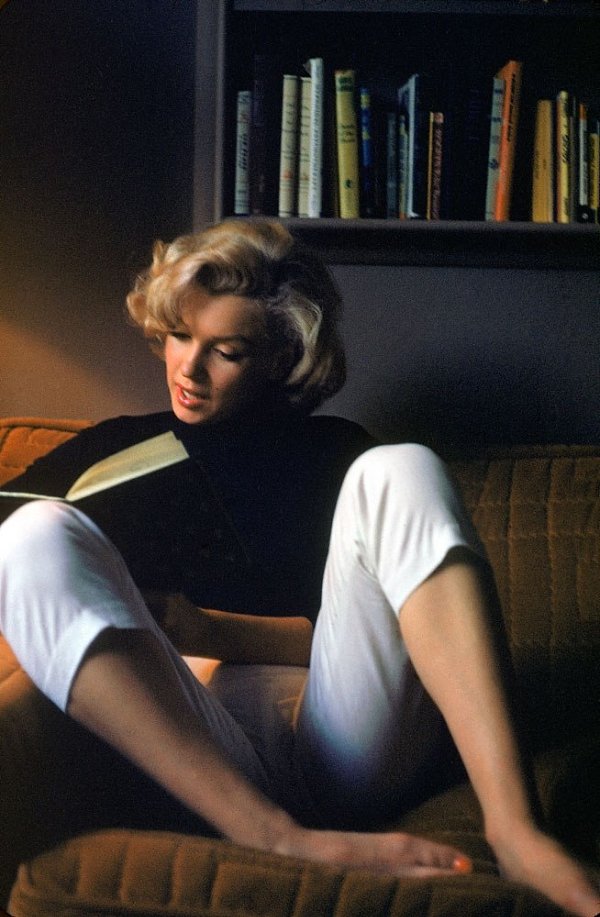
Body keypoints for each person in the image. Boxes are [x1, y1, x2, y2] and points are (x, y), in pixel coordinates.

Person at [0, 218, 598, 916]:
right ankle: (276, 837)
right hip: (196, 747)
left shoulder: (333, 456)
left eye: (226, 351)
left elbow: (389, 645)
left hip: (343, 740)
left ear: (283, 355)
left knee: (401, 467)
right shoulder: (111, 448)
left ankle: (517, 828)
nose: (189, 368)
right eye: (180, 336)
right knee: (30, 531)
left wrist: (206, 628)